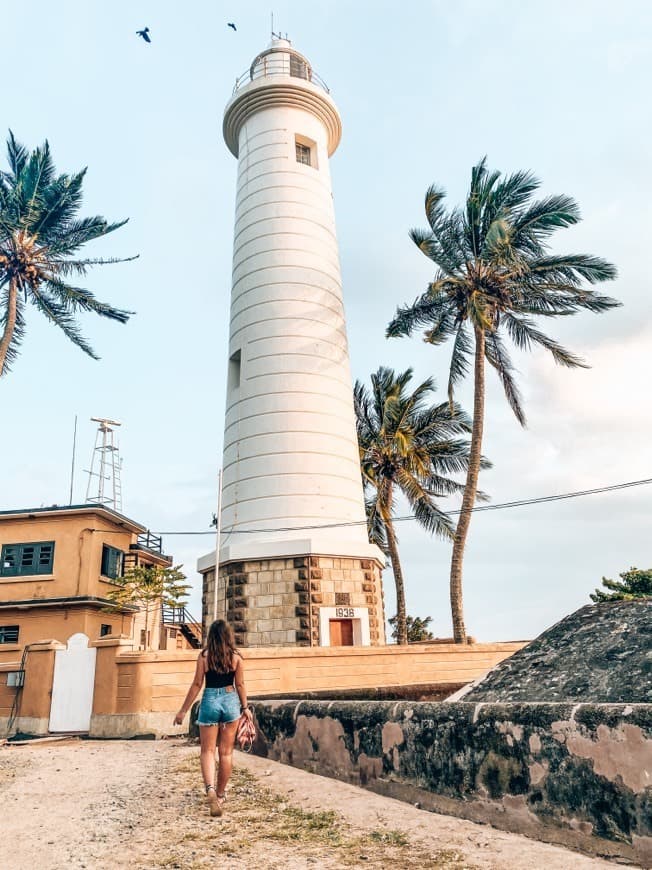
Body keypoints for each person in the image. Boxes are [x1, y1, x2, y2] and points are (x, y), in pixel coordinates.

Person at [174, 619, 253, 817]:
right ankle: (220, 795)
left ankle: (209, 788)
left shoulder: (204, 656)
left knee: (207, 751)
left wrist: (183, 710)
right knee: (226, 753)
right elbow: (241, 685)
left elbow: (196, 684)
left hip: (209, 699)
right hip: (230, 701)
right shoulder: (236, 657)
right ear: (228, 636)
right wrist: (245, 707)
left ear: (211, 636)